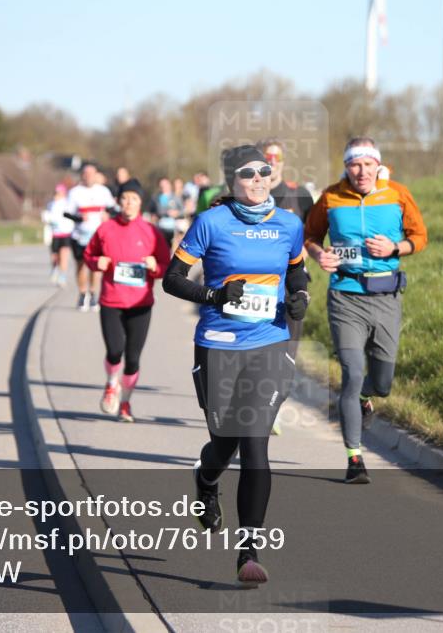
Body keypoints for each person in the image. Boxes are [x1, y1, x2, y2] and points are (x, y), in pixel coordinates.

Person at [163, 145, 309, 585]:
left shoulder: (288, 223)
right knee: (224, 444)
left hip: (269, 342)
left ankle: (248, 551)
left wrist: (299, 296)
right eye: (249, 173)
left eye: (265, 171)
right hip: (219, 344)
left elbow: (297, 269)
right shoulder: (211, 222)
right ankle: (206, 481)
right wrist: (214, 296)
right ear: (232, 181)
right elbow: (172, 279)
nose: (260, 178)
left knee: (255, 444)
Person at [304, 137, 427, 484]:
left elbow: (421, 236)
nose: (361, 171)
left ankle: (365, 400)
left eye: (367, 164)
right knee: (353, 372)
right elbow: (310, 236)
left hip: (387, 296)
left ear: (378, 165)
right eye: (354, 165)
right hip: (345, 296)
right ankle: (354, 457)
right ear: (346, 167)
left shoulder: (397, 194)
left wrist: (396, 246)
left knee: (382, 383)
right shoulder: (330, 197)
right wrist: (319, 255)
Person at [84, 180, 171, 422]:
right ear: (118, 201)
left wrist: (156, 267)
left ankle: (125, 403)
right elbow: (89, 254)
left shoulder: (152, 232)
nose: (128, 203)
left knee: (132, 358)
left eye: (134, 199)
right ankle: (112, 384)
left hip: (140, 304)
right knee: (114, 351)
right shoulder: (105, 229)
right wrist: (96, 262)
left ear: (141, 202)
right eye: (124, 198)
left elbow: (167, 266)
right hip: (111, 300)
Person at [256, 139, 315, 435]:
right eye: (266, 157)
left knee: (287, 359)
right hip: (256, 288)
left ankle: (271, 406)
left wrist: (315, 257)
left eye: (276, 157)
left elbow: (314, 236)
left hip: (292, 286)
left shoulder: (299, 195)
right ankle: (254, 413)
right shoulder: (246, 195)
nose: (273, 162)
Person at [64, 163, 116, 311]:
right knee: (81, 266)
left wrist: (108, 215)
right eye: (86, 174)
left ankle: (93, 294)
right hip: (80, 235)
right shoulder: (75, 192)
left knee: (96, 267)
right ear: (82, 176)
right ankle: (82, 294)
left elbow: (113, 209)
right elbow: (66, 213)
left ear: (96, 175)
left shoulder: (103, 191)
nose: (88, 177)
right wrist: (79, 218)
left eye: (91, 174)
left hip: (98, 236)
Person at [43, 182, 74, 286]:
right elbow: (47, 217)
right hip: (54, 234)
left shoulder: (67, 204)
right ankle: (55, 268)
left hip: (66, 234)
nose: (57, 194)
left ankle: (62, 276)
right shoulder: (50, 204)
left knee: (64, 255)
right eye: (56, 193)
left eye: (59, 193)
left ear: (64, 193)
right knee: (54, 256)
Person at [153, 177, 183, 249]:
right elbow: (154, 211)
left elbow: (183, 210)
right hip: (161, 227)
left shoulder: (175, 197)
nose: (163, 187)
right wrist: (165, 213)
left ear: (169, 185)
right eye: (161, 185)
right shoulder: (156, 198)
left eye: (165, 185)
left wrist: (177, 213)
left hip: (174, 227)